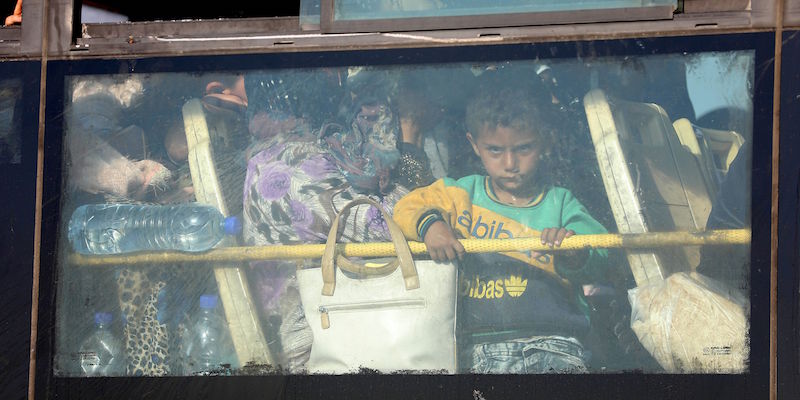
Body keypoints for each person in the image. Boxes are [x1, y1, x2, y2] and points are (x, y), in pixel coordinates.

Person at [392, 83, 610, 373]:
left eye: (523, 148)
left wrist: (573, 252)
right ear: (474, 144)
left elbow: (603, 251)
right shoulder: (461, 195)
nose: (510, 163)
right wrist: (431, 225)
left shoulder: (560, 203)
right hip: (477, 346)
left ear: (544, 142)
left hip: (556, 342)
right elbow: (405, 206)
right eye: (495, 150)